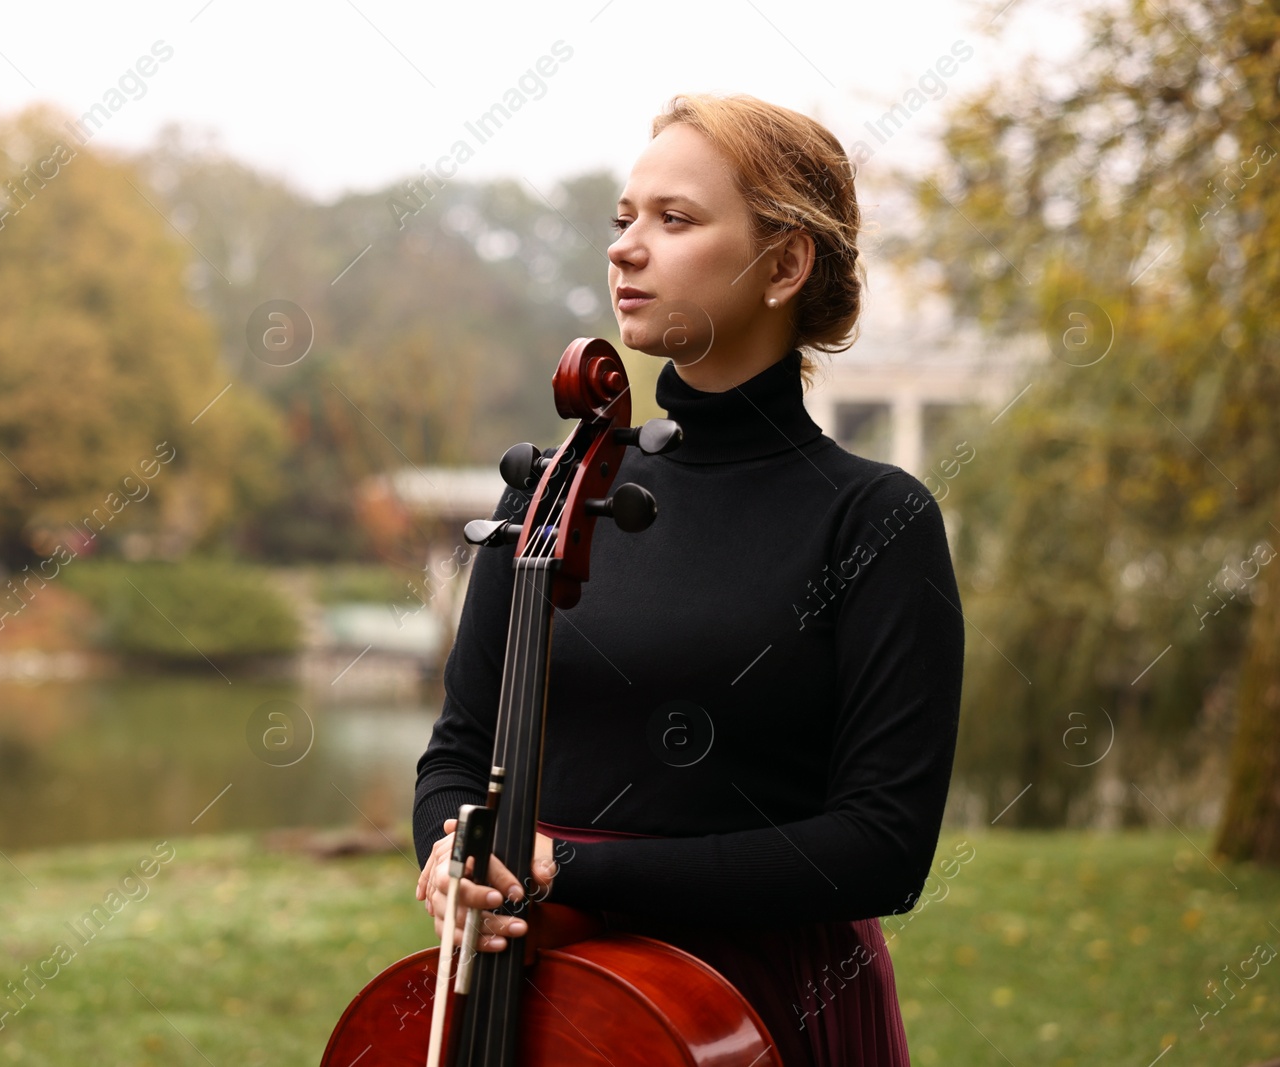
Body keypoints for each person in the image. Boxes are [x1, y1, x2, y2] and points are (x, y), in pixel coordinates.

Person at [412, 92, 964, 1066]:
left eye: (675, 220)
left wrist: (571, 866)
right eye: (623, 219)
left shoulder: (875, 519)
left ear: (784, 263)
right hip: (541, 992)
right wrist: (451, 850)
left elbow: (882, 844)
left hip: (752, 1009)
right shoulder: (545, 497)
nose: (627, 247)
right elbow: (458, 750)